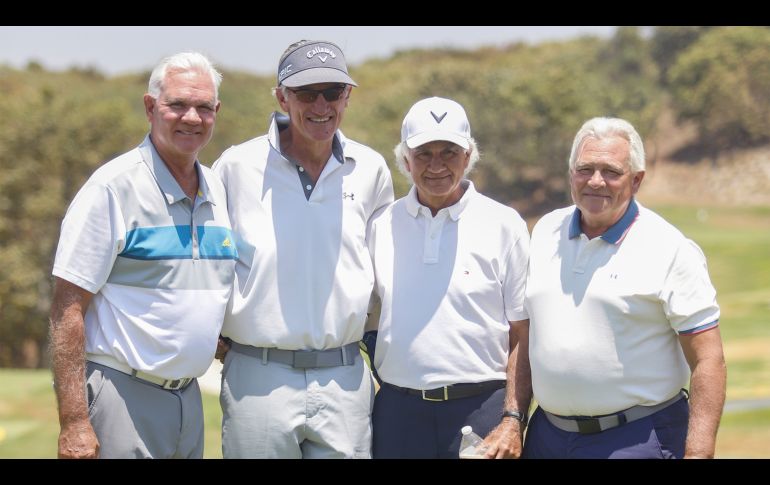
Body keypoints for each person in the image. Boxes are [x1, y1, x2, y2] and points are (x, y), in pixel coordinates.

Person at [212, 40, 394, 459]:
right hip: (258, 376)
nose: (321, 105)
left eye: (333, 92)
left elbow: (384, 271)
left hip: (345, 376)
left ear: (348, 95)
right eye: (306, 93)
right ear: (281, 97)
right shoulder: (236, 166)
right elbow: (214, 263)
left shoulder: (371, 169)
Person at [49, 52, 236, 459]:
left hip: (188, 399)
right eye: (178, 105)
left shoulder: (218, 190)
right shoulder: (112, 188)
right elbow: (67, 306)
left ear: (216, 112)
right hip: (123, 395)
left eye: (204, 107)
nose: (192, 117)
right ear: (151, 107)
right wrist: (75, 421)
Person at [523, 117, 726, 459]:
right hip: (548, 436)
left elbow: (709, 359)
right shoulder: (545, 231)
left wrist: (699, 451)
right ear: (571, 173)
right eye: (585, 168)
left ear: (636, 180)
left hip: (636, 438)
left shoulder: (669, 247)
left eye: (611, 171)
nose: (596, 181)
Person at [367, 97, 531, 459]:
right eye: (424, 153)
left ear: (469, 155)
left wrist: (513, 419)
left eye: (449, 152)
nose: (436, 165)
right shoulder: (381, 225)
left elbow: (522, 332)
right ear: (405, 159)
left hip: (481, 409)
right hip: (398, 411)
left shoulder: (505, 225)